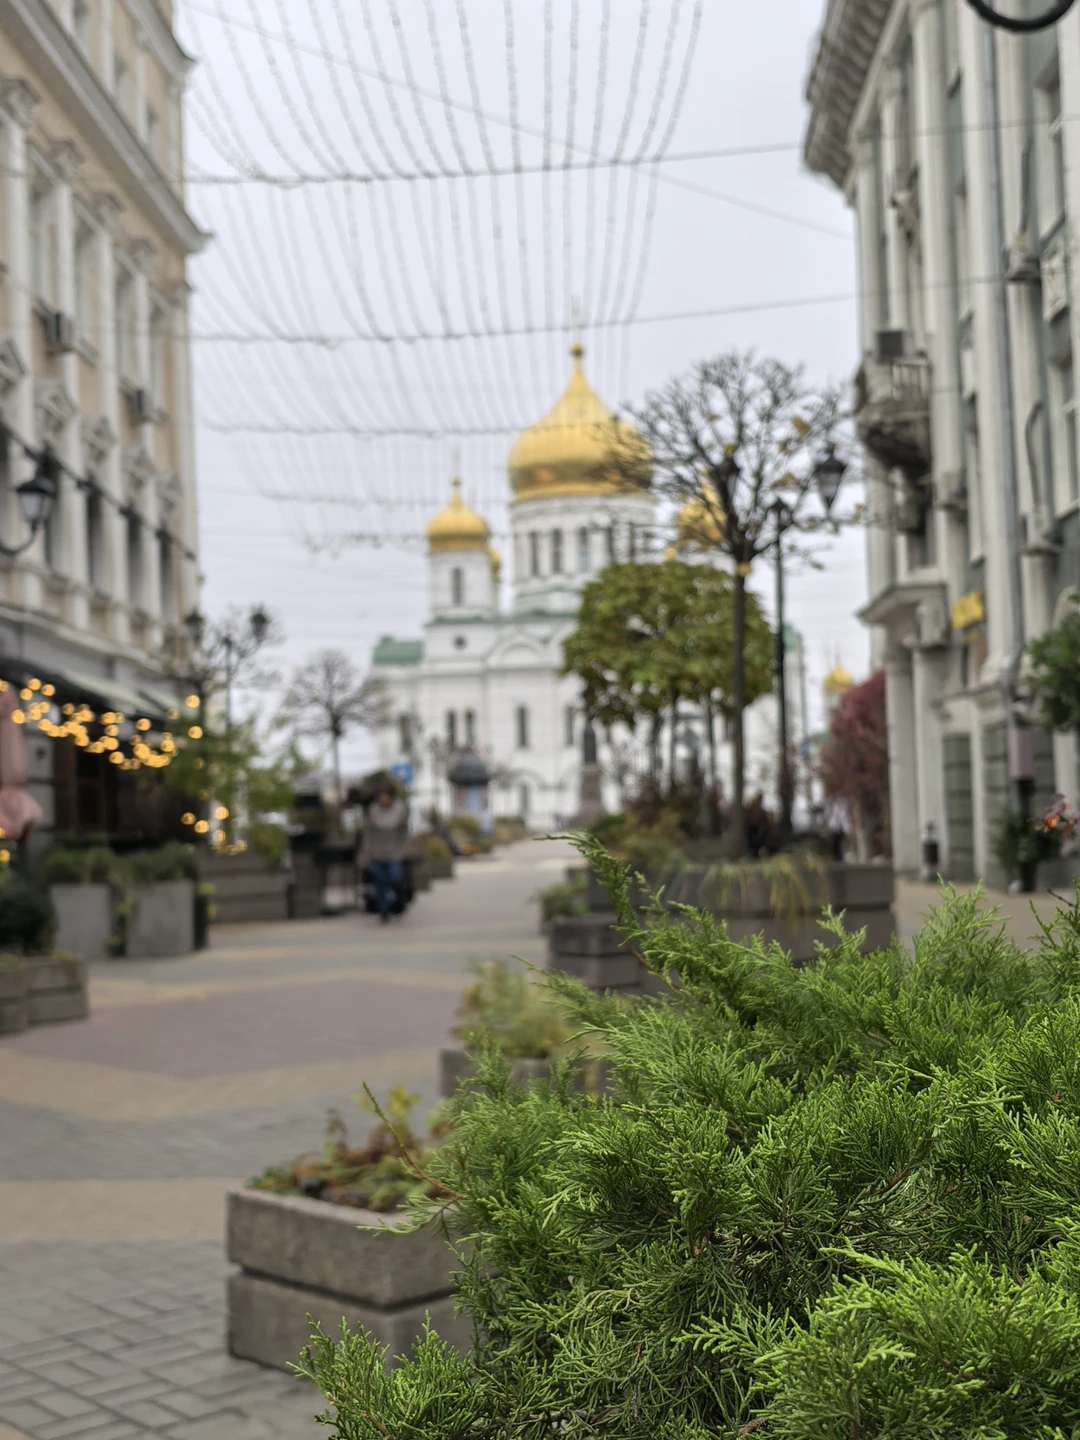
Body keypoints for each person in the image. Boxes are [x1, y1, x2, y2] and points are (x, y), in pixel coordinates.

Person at [360, 784, 410, 923]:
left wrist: (404, 849)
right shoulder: (373, 811)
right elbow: (368, 834)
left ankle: (399, 902)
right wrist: (365, 852)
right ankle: (383, 911)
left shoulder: (399, 809)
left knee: (395, 878)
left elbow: (404, 832)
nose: (383, 798)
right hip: (376, 852)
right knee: (380, 883)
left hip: (394, 851)